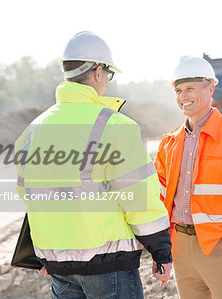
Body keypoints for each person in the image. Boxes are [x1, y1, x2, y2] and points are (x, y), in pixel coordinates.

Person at [15, 31, 172, 299]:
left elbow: (29, 194)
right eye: (109, 74)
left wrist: (46, 252)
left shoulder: (34, 129)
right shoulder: (115, 126)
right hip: (108, 266)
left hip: (58, 268)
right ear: (98, 71)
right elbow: (140, 199)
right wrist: (161, 251)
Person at [154, 56, 222, 299]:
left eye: (190, 89)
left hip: (220, 245)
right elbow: (159, 196)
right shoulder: (170, 141)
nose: (184, 96)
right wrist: (160, 249)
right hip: (181, 247)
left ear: (210, 87)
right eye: (179, 90)